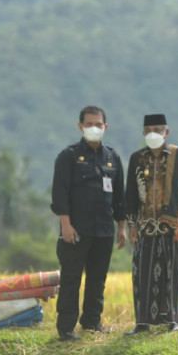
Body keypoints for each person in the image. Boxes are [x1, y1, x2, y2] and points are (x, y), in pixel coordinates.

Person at [50, 105, 127, 341]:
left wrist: (121, 227)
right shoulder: (69, 156)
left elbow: (119, 197)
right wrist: (66, 224)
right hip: (76, 231)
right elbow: (59, 194)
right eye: (89, 124)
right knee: (71, 279)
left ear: (106, 127)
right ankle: (66, 328)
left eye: (98, 124)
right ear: (80, 126)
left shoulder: (112, 158)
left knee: (97, 279)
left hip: (103, 231)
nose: (94, 128)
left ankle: (92, 322)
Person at [124, 114, 178, 334]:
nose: (152, 133)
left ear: (167, 132)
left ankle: (173, 319)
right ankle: (143, 321)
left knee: (172, 272)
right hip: (146, 228)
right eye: (148, 130)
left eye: (157, 129)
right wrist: (132, 226)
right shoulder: (137, 159)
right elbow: (130, 195)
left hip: (172, 227)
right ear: (143, 133)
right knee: (142, 273)